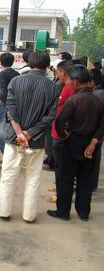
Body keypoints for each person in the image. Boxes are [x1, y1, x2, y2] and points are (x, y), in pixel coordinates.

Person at [0, 51, 58, 223]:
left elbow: (10, 110)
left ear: (29, 63)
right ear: (47, 67)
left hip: (13, 139)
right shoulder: (52, 87)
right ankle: (29, 216)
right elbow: (50, 116)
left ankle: (4, 212)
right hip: (37, 142)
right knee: (32, 179)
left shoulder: (15, 81)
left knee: (8, 176)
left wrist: (19, 133)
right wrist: (29, 133)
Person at [47, 65, 104, 221]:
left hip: (72, 142)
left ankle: (63, 212)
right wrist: (93, 143)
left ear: (77, 82)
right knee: (85, 180)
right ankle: (84, 212)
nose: (70, 83)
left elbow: (59, 121)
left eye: (72, 81)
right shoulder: (98, 101)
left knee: (65, 178)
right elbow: (102, 125)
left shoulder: (74, 100)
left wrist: (64, 135)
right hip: (91, 144)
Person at [47, 60, 75, 203]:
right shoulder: (67, 87)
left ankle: (60, 196)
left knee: (61, 167)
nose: (56, 75)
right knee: (59, 165)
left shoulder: (68, 89)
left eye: (58, 72)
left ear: (63, 73)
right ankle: (59, 190)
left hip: (60, 133)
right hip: (58, 131)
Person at [0, 52, 19, 153]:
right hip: (15, 108)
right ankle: (11, 156)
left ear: (0, 62)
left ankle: (7, 155)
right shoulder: (17, 74)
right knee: (11, 132)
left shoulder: (2, 74)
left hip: (5, 107)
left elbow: (3, 93)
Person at [89, 68, 104, 191]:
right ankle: (92, 184)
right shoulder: (99, 93)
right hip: (98, 132)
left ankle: (91, 184)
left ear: (92, 82)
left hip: (96, 133)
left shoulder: (96, 95)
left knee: (93, 158)